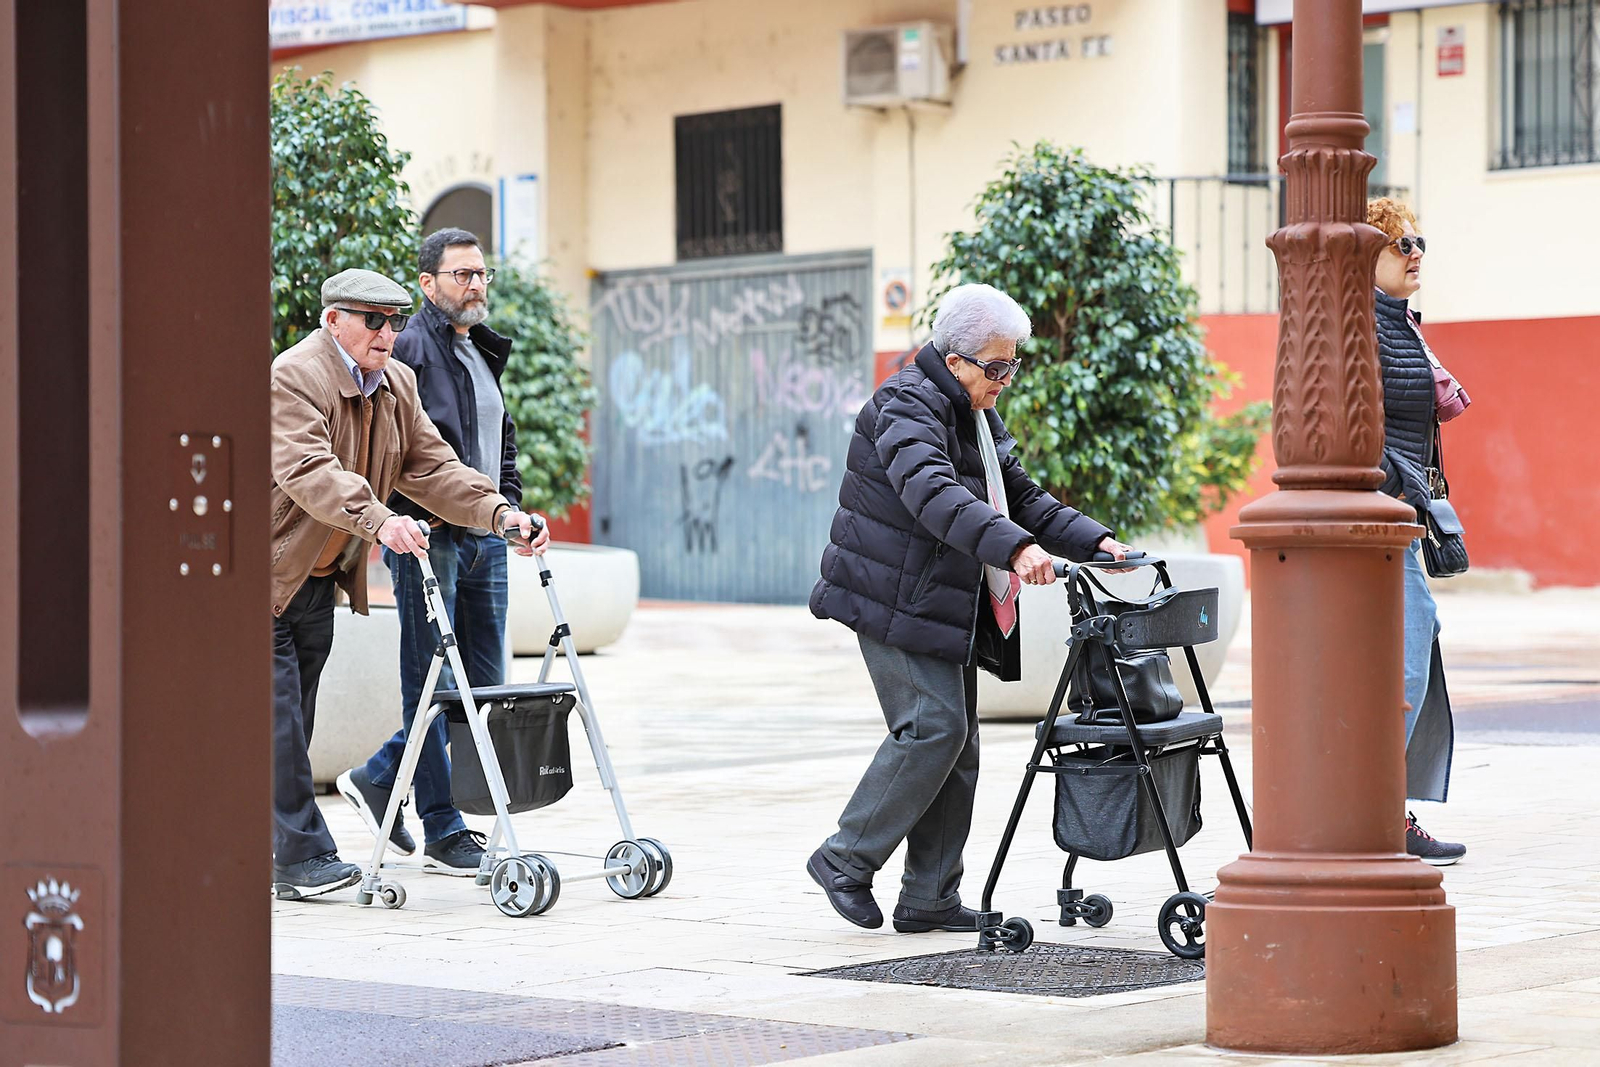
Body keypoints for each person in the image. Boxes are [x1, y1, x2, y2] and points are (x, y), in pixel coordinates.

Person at [806, 282, 1133, 931]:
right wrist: (1014, 551)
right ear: (954, 359)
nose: (1006, 378)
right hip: (889, 594)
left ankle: (929, 896)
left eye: (1013, 364)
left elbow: (1019, 493)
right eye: (996, 366)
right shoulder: (906, 404)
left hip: (941, 599)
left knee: (960, 746)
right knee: (934, 727)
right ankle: (845, 856)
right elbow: (930, 491)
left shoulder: (974, 415)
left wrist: (1094, 538)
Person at [270, 268, 548, 900]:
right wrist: (381, 521)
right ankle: (300, 856)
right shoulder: (294, 375)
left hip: (315, 580)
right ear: (332, 319)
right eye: (373, 320)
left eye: (394, 321)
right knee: (280, 720)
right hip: (266, 574)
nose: (387, 333)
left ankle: (277, 848)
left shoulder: (396, 383)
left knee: (293, 720)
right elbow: (309, 471)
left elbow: (433, 467)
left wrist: (499, 512)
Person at [336, 229, 527, 874]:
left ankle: (381, 774)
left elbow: (502, 442)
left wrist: (511, 511)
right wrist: (397, 520)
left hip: (486, 537)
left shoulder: (480, 352)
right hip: (428, 538)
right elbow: (396, 450)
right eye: (460, 275)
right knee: (434, 683)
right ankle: (442, 823)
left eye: (481, 274)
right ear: (428, 284)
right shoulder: (406, 350)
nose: (474, 286)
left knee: (486, 687)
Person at [1370, 196, 1470, 866]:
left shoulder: (1401, 324)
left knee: (1413, 647)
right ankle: (1374, 809)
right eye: (1400, 245)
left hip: (1403, 510)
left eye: (1418, 243)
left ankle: (1384, 805)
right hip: (1379, 514)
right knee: (1406, 652)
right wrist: (1398, 487)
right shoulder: (1362, 327)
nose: (1414, 254)